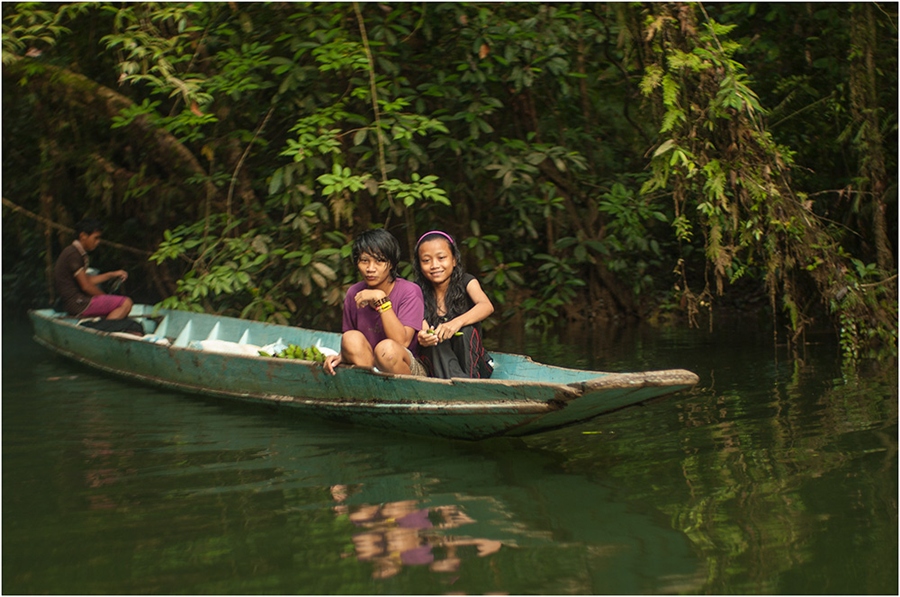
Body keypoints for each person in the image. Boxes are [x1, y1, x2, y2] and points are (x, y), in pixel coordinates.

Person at [323, 228, 426, 376]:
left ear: (391, 264)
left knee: (386, 350)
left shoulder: (409, 291)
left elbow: (401, 342)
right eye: (365, 261)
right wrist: (341, 356)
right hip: (368, 365)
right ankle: (370, 388)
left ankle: (403, 392)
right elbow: (351, 342)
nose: (370, 268)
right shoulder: (354, 293)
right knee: (350, 338)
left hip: (407, 368)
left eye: (379, 261)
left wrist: (381, 299)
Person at [414, 230, 494, 378]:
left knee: (465, 331)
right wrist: (424, 338)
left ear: (454, 260)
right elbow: (422, 326)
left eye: (441, 258)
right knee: (434, 342)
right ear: (419, 265)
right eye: (426, 260)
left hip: (475, 366)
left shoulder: (467, 281)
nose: (434, 265)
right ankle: (461, 386)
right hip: (438, 366)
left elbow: (486, 306)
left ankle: (468, 384)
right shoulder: (415, 291)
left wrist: (456, 323)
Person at [54, 218, 133, 320]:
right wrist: (106, 299)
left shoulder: (75, 252)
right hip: (78, 303)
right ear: (83, 236)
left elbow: (88, 280)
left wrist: (111, 274)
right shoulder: (73, 254)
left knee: (117, 303)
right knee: (126, 303)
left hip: (76, 302)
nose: (98, 242)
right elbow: (86, 286)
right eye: (95, 238)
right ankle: (106, 327)